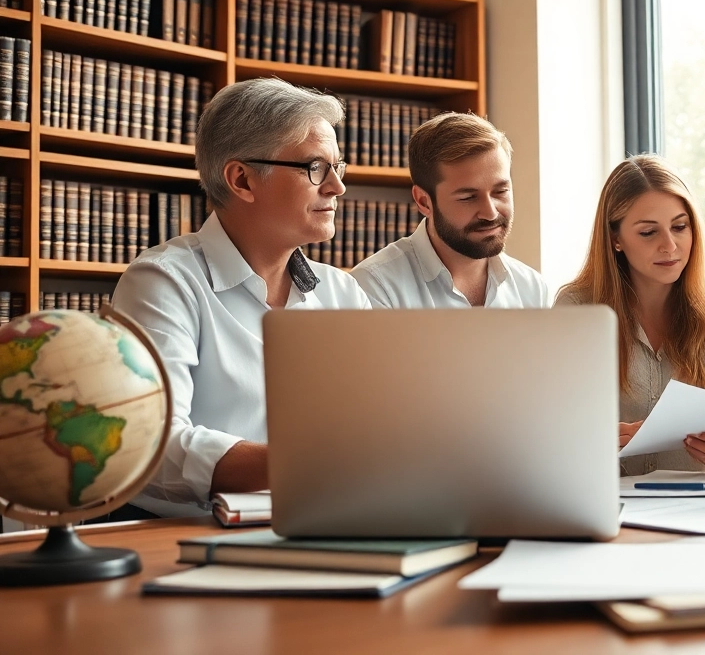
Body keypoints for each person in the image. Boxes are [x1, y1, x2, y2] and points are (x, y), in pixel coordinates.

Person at [110, 78, 371, 519]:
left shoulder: (343, 292)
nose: (336, 188)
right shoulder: (163, 281)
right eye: (314, 168)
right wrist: (306, 464)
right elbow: (150, 443)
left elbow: (375, 428)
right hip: (176, 538)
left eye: (337, 167)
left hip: (319, 523)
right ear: (242, 179)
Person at [556, 155, 705, 476]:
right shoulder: (578, 308)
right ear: (615, 239)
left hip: (696, 502)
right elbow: (559, 425)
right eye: (648, 232)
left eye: (679, 227)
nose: (670, 245)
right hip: (608, 501)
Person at [351, 112, 549, 308]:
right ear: (424, 202)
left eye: (500, 191)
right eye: (468, 197)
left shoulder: (531, 289)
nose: (490, 213)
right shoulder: (374, 288)